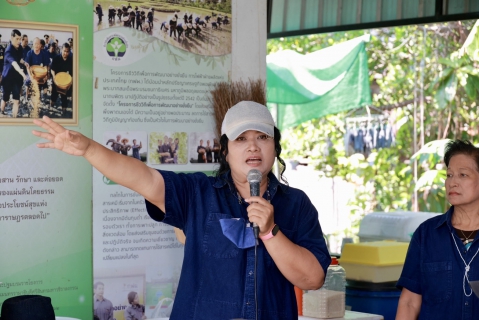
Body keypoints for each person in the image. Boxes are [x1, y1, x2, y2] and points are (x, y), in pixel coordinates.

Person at [32, 101, 331, 319]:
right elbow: (145, 178)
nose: (253, 147)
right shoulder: (198, 193)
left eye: (262, 137)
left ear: (275, 147)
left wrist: (270, 232)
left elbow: (313, 278)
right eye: (241, 139)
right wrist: (89, 149)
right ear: (225, 150)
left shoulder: (297, 204)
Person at [396, 139, 479, 319]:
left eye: (463, 175)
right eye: (449, 175)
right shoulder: (426, 234)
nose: (452, 182)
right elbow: (409, 301)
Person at [1, 29, 28, 118]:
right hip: (7, 78)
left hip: (16, 79)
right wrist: (22, 73)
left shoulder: (19, 47)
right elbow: (14, 63)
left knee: (16, 100)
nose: (19, 41)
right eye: (17, 39)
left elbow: (19, 59)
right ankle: (2, 111)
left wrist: (24, 63)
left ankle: (14, 118)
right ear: (11, 38)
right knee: (5, 98)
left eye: (20, 39)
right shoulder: (8, 50)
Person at [50, 42, 73, 115]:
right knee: (53, 96)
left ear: (69, 51)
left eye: (67, 51)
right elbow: (52, 69)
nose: (66, 53)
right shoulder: (56, 58)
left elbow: (73, 73)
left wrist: (70, 82)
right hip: (56, 80)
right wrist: (54, 78)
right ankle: (51, 107)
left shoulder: (71, 60)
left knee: (64, 98)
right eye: (64, 51)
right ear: (61, 50)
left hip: (65, 82)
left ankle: (64, 112)